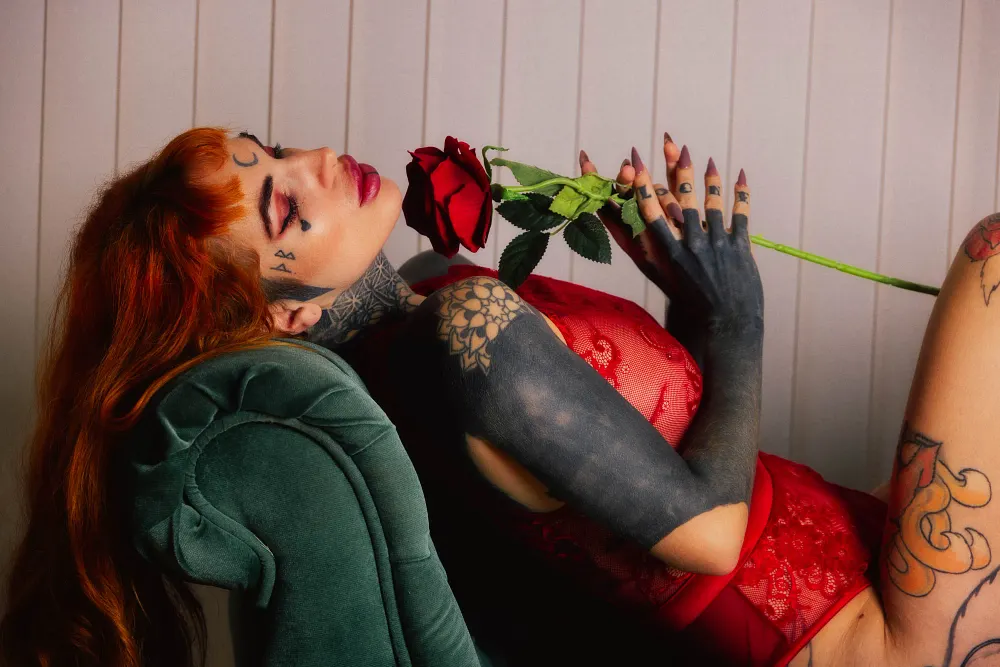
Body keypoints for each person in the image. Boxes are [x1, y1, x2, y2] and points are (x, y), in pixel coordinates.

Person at [1, 126, 996, 667]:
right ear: (286, 312)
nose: (313, 163)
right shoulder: (459, 341)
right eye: (281, 204)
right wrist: (739, 317)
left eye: (270, 148)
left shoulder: (424, 312)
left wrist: (692, 300)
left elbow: (665, 477)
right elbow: (708, 537)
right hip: (860, 636)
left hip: (856, 551)